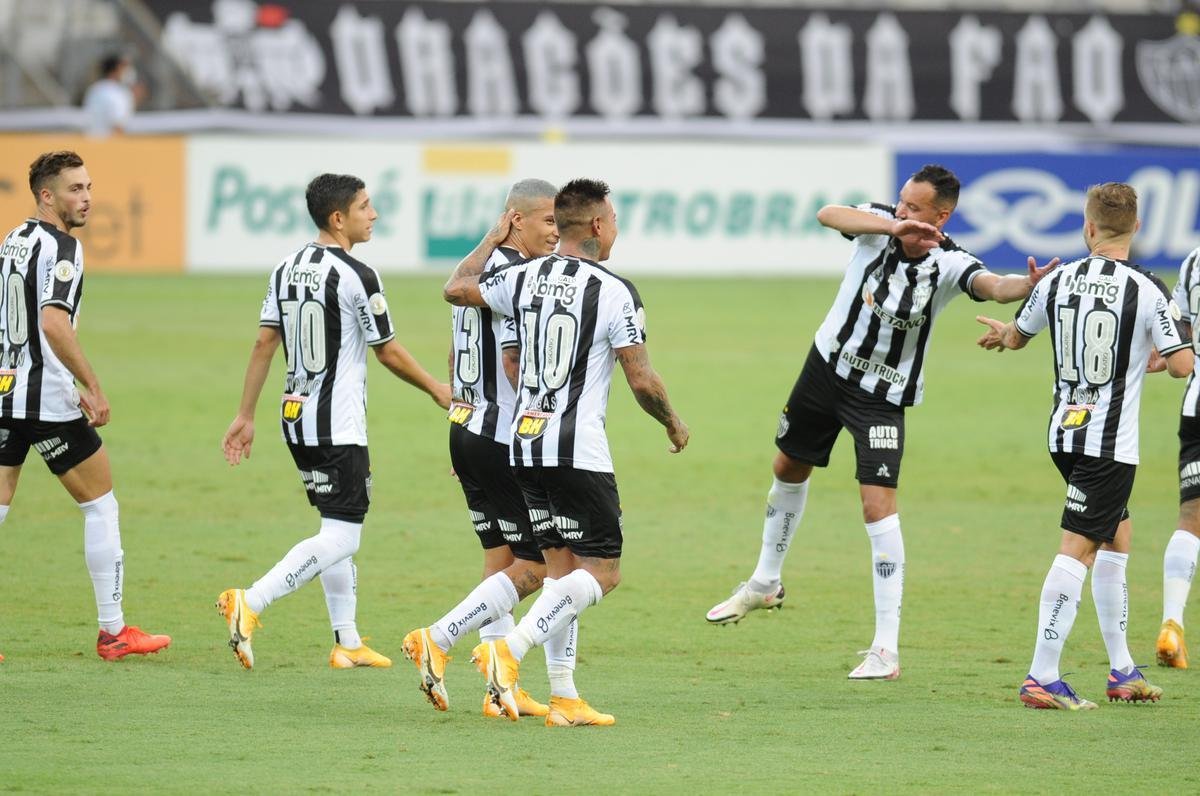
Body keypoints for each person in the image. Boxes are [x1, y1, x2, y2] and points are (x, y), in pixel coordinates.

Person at [704, 164, 1056, 681]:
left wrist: (1028, 283)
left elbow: (993, 285)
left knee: (877, 505)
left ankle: (885, 650)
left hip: (882, 396)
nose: (903, 212)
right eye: (902, 202)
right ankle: (764, 583)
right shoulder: (877, 224)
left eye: (915, 208)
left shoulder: (950, 264)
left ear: (942, 215)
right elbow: (828, 213)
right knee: (788, 464)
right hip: (826, 368)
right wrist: (892, 225)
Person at [444, 178, 689, 727]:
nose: (617, 227)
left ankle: (563, 697)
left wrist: (494, 234)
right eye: (616, 219)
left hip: (522, 442)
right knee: (603, 571)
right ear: (599, 226)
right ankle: (507, 649)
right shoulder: (616, 290)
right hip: (577, 449)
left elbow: (458, 288)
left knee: (559, 571)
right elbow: (641, 378)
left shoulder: (522, 276)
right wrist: (672, 422)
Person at [218, 173, 450, 670]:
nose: (374, 215)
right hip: (337, 423)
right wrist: (437, 389)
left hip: (295, 415)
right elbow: (386, 351)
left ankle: (347, 640)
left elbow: (265, 343)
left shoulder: (285, 267)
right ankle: (251, 602)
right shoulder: (357, 275)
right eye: (366, 207)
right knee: (344, 536)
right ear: (338, 218)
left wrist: (244, 414)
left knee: (334, 526)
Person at [976, 182, 1191, 709]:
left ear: (1088, 227)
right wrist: (1156, 353)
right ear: (1136, 228)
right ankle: (1041, 676)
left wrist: (1003, 333)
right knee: (1079, 547)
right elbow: (1182, 365)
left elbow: (1018, 335)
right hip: (1109, 443)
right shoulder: (1146, 289)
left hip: (1064, 433)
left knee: (1117, 537)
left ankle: (1122, 670)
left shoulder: (1058, 279)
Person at [0, 150, 170, 660]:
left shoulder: (12, 241)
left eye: (89, 187)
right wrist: (91, 384)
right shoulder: (64, 248)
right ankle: (113, 631)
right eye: (75, 189)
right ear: (46, 195)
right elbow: (53, 322)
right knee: (100, 504)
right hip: (46, 400)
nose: (87, 198)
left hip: (6, 389)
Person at [401, 178, 560, 718]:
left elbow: (454, 351)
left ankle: (501, 691)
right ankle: (439, 639)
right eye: (547, 221)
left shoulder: (476, 273)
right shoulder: (518, 276)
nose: (556, 234)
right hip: (502, 434)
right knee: (541, 564)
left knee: (500, 560)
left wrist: (459, 423)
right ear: (516, 221)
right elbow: (517, 364)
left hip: (467, 427)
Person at [1159, 243, 1200, 669]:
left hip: (1197, 406)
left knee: (1191, 518)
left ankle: (1173, 620)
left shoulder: (1192, 260)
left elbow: (1181, 329)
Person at [81, 54, 140, 137]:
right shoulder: (118, 93)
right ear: (115, 70)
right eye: (124, 68)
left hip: (91, 141)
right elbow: (118, 125)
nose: (127, 72)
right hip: (111, 144)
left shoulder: (95, 89)